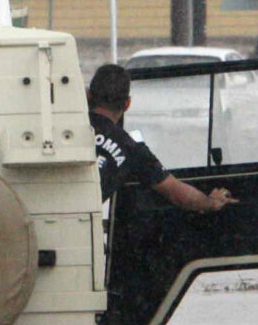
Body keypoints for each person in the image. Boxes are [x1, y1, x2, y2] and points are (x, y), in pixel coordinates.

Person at [87, 63, 236, 214]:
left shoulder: (71, 129)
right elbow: (177, 194)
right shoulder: (130, 149)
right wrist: (209, 202)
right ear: (127, 104)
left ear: (88, 96)